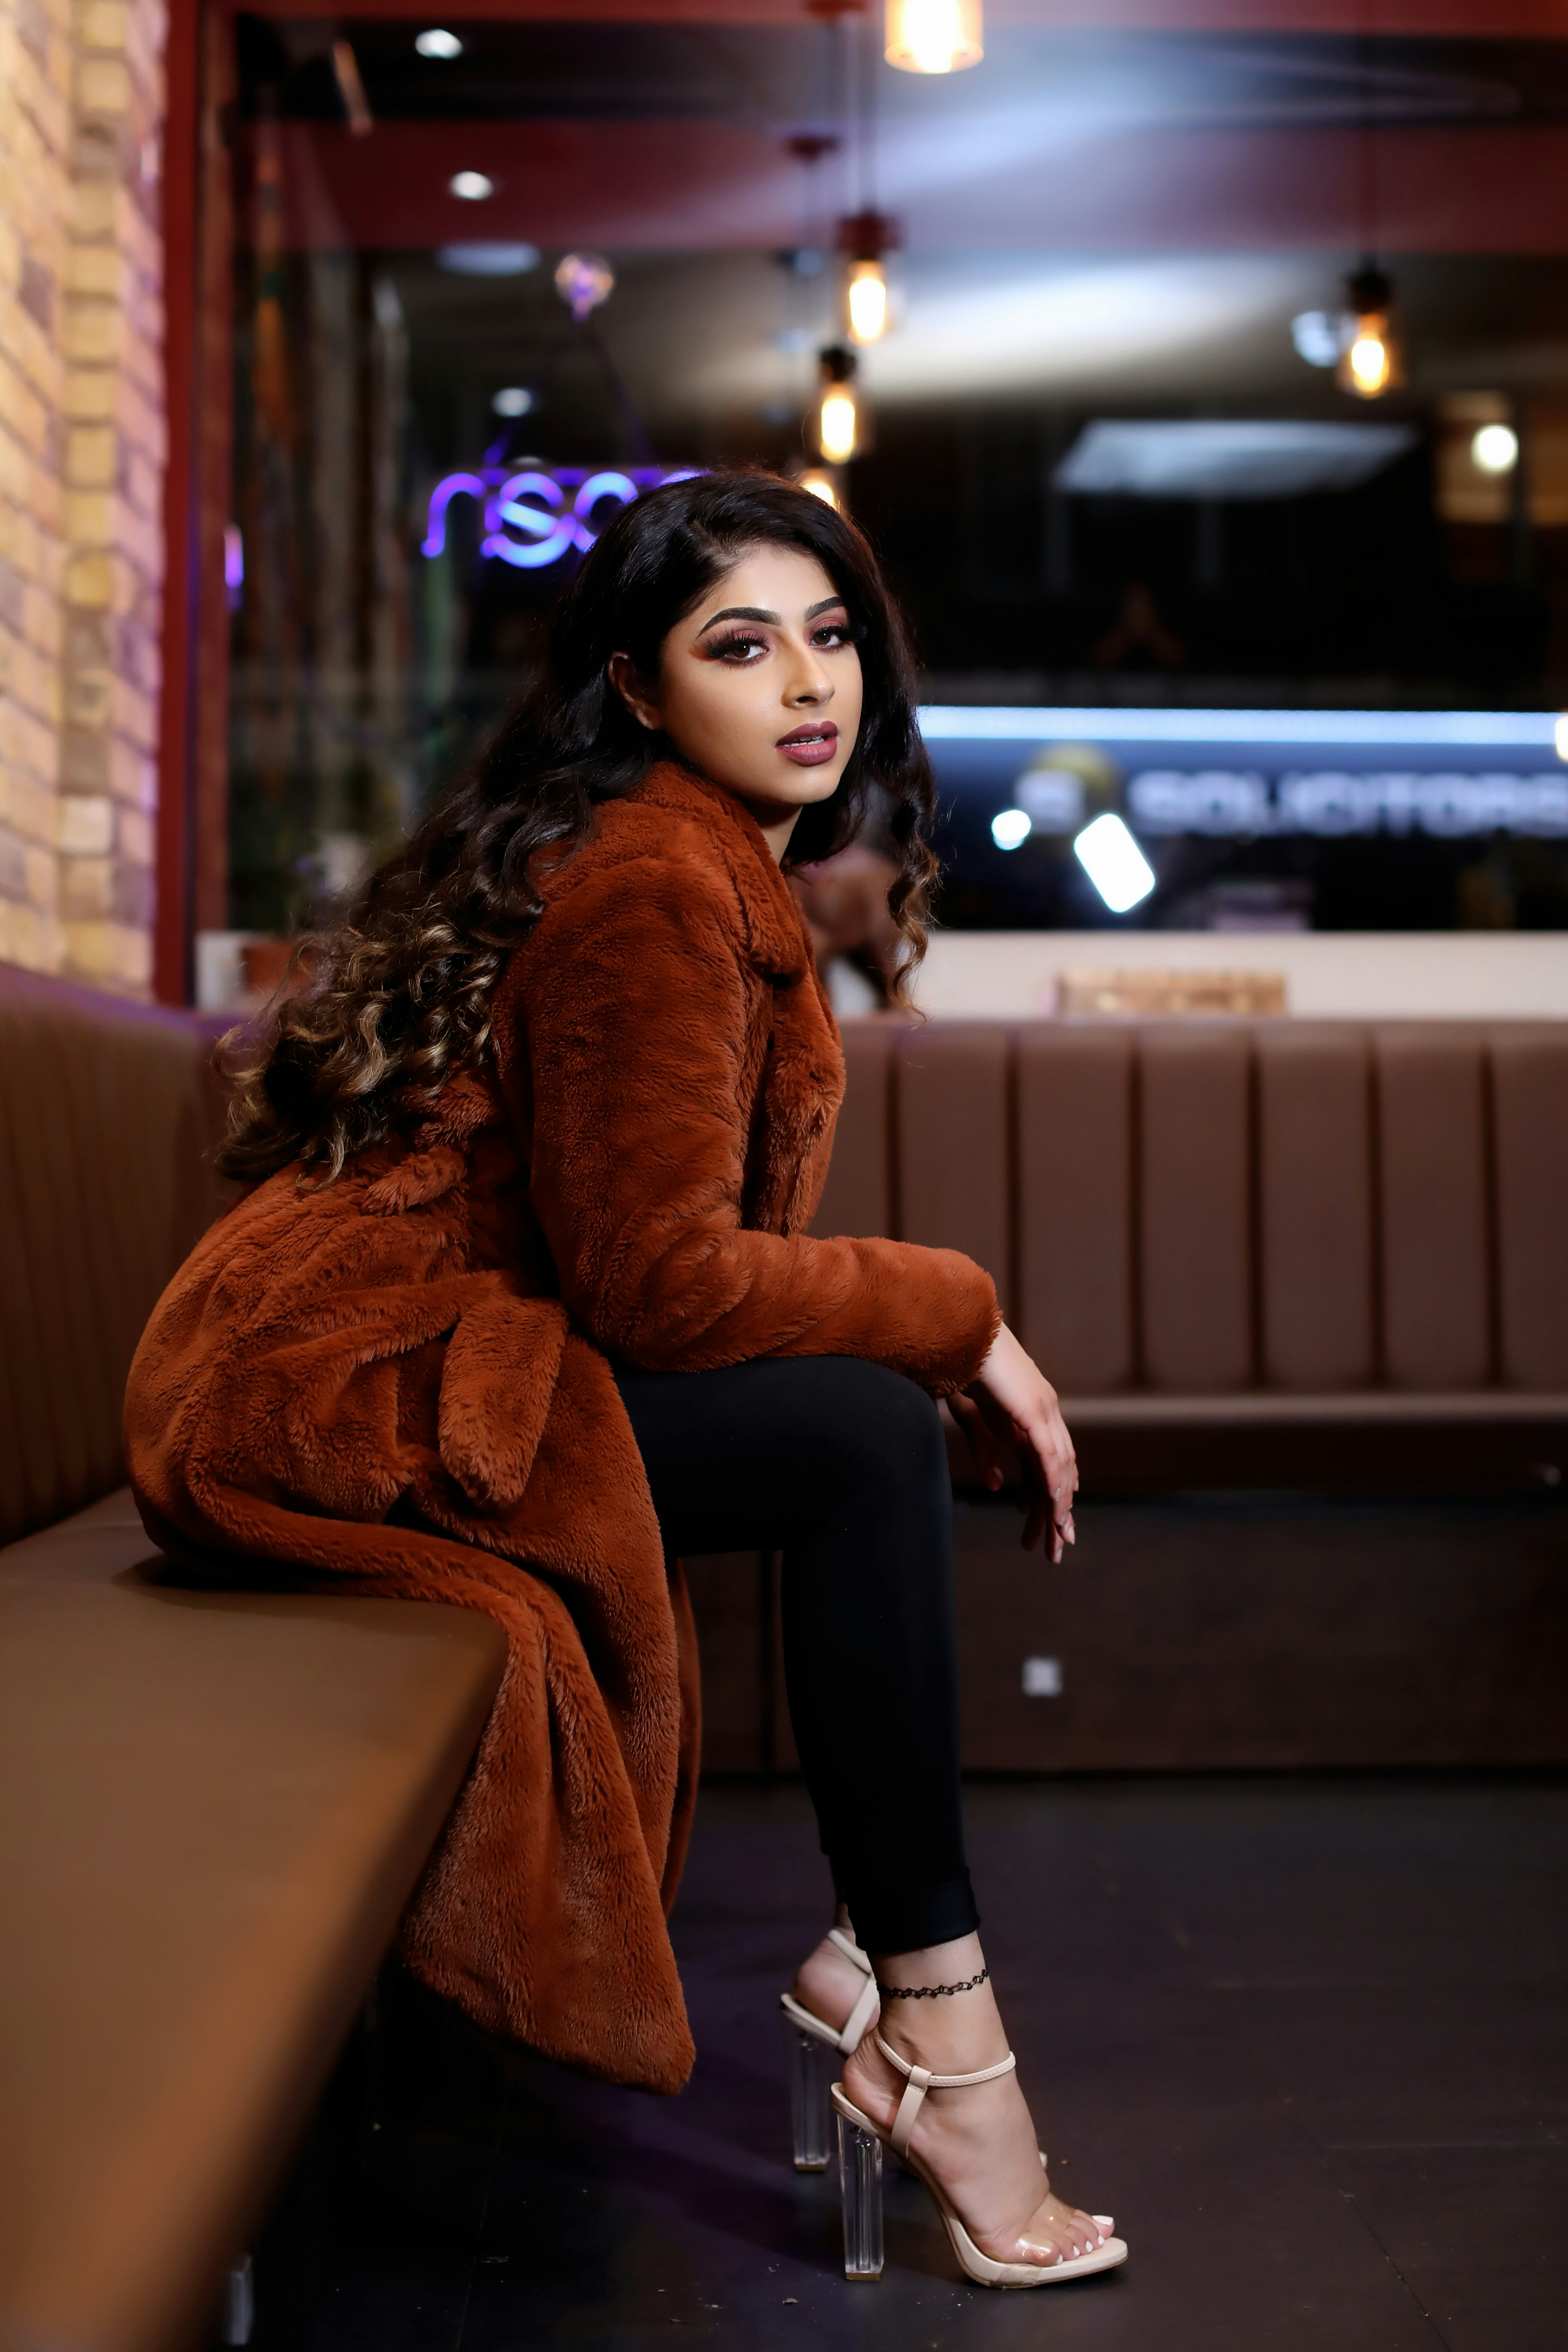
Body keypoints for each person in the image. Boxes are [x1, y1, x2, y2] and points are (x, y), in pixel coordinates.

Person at [125, 470, 1123, 2289]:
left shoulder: (696, 862)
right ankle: (936, 2030)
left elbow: (640, 1270)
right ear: (645, 694)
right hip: (326, 1392)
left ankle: (898, 1988)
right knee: (855, 1435)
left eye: (829, 636)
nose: (807, 681)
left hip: (378, 1358)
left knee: (852, 1432)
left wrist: (929, 1330)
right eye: (740, 645)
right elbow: (664, 1292)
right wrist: (964, 1314)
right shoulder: (662, 887)